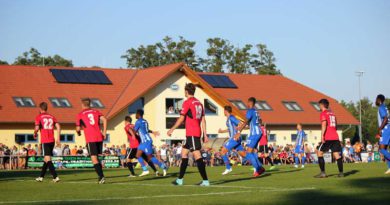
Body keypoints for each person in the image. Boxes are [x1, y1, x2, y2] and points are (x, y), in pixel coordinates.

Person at [168, 83, 209, 186]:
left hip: (192, 133)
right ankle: (180, 180)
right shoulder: (199, 103)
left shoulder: (187, 102)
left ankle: (205, 181)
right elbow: (203, 120)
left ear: (186, 91)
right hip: (195, 132)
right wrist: (205, 134)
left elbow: (181, 118)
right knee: (184, 153)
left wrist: (172, 129)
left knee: (197, 155)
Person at [76, 98, 107, 184]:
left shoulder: (80, 114)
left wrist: (78, 133)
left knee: (94, 159)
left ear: (82, 105)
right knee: (97, 158)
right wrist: (104, 132)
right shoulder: (96, 112)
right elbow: (105, 119)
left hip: (91, 138)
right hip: (99, 137)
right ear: (90, 104)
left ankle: (101, 177)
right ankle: (101, 176)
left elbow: (78, 128)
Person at [235, 97, 265, 177]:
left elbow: (246, 121)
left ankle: (259, 169)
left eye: (247, 103)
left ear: (250, 102)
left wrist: (239, 131)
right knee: (251, 152)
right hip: (257, 132)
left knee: (248, 152)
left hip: (254, 134)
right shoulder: (256, 111)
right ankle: (259, 168)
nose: (246, 104)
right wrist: (242, 127)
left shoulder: (250, 111)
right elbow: (252, 124)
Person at [134, 109, 167, 177]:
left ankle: (163, 166)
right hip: (144, 142)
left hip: (146, 141)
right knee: (137, 155)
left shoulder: (138, 122)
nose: (135, 115)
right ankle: (145, 170)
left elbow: (134, 131)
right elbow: (145, 130)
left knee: (150, 157)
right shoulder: (145, 121)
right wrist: (153, 132)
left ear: (138, 114)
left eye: (136, 114)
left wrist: (130, 130)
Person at [315, 99, 344, 178]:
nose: (319, 106)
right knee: (337, 155)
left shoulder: (323, 113)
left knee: (319, 153)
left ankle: (323, 173)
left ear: (322, 105)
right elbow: (336, 126)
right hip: (335, 136)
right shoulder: (333, 114)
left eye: (319, 105)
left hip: (328, 137)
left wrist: (322, 136)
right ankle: (341, 173)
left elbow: (324, 125)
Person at [34, 102, 61, 182]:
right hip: (52, 140)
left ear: (40, 108)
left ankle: (55, 177)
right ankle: (41, 177)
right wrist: (58, 138)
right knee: (46, 159)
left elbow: (37, 128)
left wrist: (35, 133)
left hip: (45, 140)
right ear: (46, 108)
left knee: (48, 159)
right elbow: (58, 127)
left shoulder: (39, 117)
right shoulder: (52, 117)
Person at [218, 105, 246, 175]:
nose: (223, 112)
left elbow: (240, 123)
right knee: (244, 155)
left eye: (224, 110)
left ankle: (228, 168)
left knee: (222, 151)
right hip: (236, 139)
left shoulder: (231, 117)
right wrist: (222, 131)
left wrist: (238, 132)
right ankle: (257, 166)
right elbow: (230, 129)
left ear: (226, 111)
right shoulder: (229, 119)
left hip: (234, 138)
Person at [375, 94, 390, 174]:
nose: (375, 101)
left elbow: (385, 118)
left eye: (376, 99)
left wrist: (380, 128)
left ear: (379, 100)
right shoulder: (385, 107)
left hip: (386, 129)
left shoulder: (381, 107)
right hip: (388, 128)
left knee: (381, 149)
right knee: (384, 149)